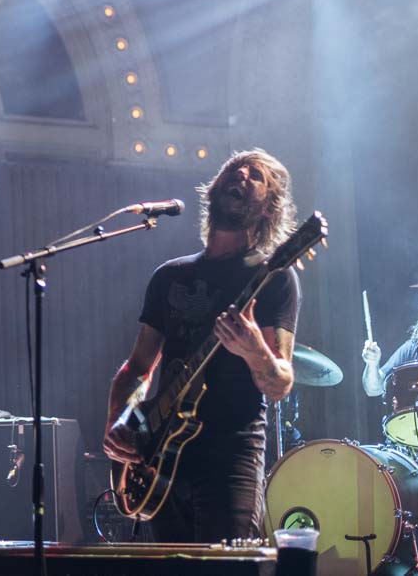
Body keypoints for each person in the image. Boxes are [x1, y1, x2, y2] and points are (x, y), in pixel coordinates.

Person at [103, 149, 301, 542]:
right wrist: (118, 423)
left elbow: (280, 382)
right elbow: (137, 368)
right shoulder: (170, 276)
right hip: (160, 460)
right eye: (234, 169)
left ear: (268, 209)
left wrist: (253, 351)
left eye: (256, 176)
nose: (241, 174)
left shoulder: (274, 278)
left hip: (230, 457)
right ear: (213, 190)